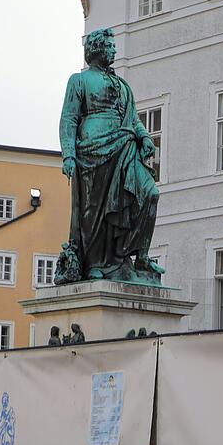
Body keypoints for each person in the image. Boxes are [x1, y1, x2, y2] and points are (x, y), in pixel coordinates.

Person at [57, 28, 164, 284]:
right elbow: (69, 118)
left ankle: (139, 256)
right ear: (96, 49)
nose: (115, 50)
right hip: (92, 151)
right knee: (94, 211)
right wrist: (68, 154)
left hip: (126, 147)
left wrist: (145, 137)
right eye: (110, 45)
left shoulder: (123, 85)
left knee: (149, 194)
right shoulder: (79, 81)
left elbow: (133, 117)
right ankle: (96, 264)